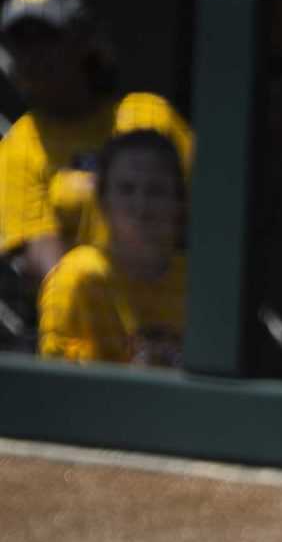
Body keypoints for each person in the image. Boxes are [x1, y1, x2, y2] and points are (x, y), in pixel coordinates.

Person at [0, 0, 194, 308]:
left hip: (171, 311)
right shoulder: (21, 144)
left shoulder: (148, 115)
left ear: (85, 44)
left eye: (47, 39)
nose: (32, 56)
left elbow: (212, 214)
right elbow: (46, 265)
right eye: (21, 43)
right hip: (83, 324)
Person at [37, 126, 187, 365]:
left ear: (178, 202)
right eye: (126, 190)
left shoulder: (196, 284)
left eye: (156, 191)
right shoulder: (77, 278)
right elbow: (60, 390)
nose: (142, 207)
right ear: (103, 202)